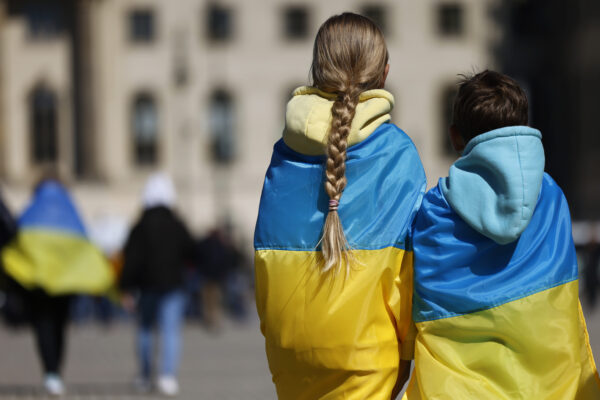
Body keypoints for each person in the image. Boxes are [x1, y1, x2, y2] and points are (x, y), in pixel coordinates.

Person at [254, 13, 426, 399]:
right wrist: (405, 356)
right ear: (384, 73)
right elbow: (410, 270)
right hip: (368, 357)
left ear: (317, 70)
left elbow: (264, 258)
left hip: (289, 354)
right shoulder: (397, 153)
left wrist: (276, 337)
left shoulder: (285, 153)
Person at [406, 70, 600, 399]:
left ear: (455, 137)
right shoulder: (550, 196)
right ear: (523, 129)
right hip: (552, 387)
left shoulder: (434, 211)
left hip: (455, 390)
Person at [1, 178, 113, 396]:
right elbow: (86, 244)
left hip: (39, 282)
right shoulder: (70, 211)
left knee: (43, 326)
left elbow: (15, 237)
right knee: (60, 326)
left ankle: (50, 371)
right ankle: (56, 371)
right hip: (65, 283)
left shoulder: (33, 209)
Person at [120, 173, 195, 397]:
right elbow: (192, 251)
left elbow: (130, 260)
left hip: (147, 286)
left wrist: (125, 287)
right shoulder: (177, 225)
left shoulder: (139, 227)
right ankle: (167, 376)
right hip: (173, 285)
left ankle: (145, 376)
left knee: (145, 330)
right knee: (170, 331)